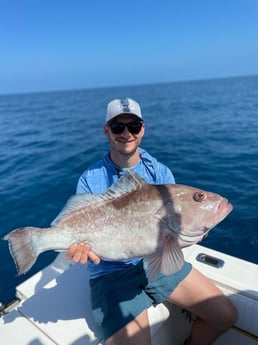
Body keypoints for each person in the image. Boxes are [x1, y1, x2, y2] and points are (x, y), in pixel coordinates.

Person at [66, 98, 237, 345]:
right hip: (111, 274)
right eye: (117, 127)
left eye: (133, 126)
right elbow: (79, 226)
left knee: (225, 316)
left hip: (157, 264)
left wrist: (196, 230)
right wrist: (77, 249)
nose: (126, 133)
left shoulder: (159, 172)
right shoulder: (89, 179)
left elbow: (173, 236)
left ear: (142, 129)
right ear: (106, 131)